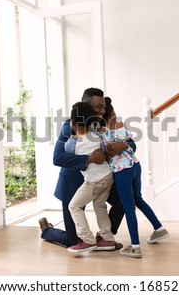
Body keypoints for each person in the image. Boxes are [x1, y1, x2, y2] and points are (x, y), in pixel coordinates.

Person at [39, 88, 135, 249]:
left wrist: (121, 144)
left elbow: (131, 143)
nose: (102, 110)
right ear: (86, 106)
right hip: (73, 183)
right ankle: (47, 230)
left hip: (103, 178)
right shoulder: (70, 126)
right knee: (72, 240)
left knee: (124, 196)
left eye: (103, 106)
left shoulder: (104, 124)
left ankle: (105, 237)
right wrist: (89, 158)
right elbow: (57, 157)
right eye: (98, 107)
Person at [101, 97, 169, 258]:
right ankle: (159, 229)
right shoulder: (121, 125)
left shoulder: (101, 133)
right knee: (138, 199)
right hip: (135, 165)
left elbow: (105, 154)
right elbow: (131, 143)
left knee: (128, 206)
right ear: (113, 113)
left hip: (122, 170)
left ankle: (135, 246)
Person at [65, 102, 115, 253]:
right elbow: (104, 152)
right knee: (99, 206)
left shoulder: (71, 144)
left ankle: (87, 239)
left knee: (74, 206)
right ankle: (107, 238)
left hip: (94, 181)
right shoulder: (97, 137)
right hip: (108, 176)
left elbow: (66, 157)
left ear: (73, 123)